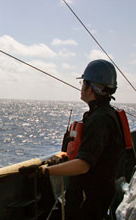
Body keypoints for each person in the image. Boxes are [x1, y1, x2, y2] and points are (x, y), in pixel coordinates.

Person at [44, 59, 125, 220]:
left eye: (83, 83)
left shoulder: (100, 120)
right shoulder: (103, 115)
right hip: (91, 199)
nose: (81, 87)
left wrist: (45, 171)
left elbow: (83, 165)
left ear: (90, 88)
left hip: (89, 205)